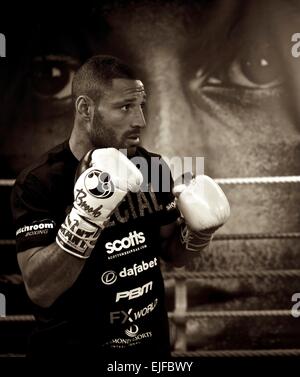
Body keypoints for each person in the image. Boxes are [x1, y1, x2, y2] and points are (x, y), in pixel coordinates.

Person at [10, 55, 230, 361]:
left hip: (148, 351)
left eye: (141, 105)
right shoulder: (40, 181)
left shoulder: (151, 166)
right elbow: (41, 290)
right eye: (125, 107)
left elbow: (173, 253)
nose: (139, 119)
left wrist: (198, 234)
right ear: (85, 109)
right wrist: (86, 219)